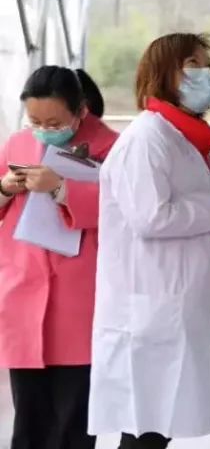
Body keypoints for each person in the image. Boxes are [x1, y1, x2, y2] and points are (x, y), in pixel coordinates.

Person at [89, 33, 210, 448]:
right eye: (193, 65)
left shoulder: (184, 138)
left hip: (176, 306)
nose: (205, 75)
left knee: (157, 429)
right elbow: (151, 217)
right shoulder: (147, 138)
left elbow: (176, 221)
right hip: (150, 313)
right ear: (162, 74)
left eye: (208, 66)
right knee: (145, 433)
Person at [0, 67, 118, 449]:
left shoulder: (112, 147)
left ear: (80, 111)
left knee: (73, 421)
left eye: (54, 122)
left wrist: (63, 189)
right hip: (24, 292)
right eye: (35, 121)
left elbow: (123, 208)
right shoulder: (17, 144)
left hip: (79, 299)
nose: (43, 130)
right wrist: (5, 188)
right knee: (28, 422)